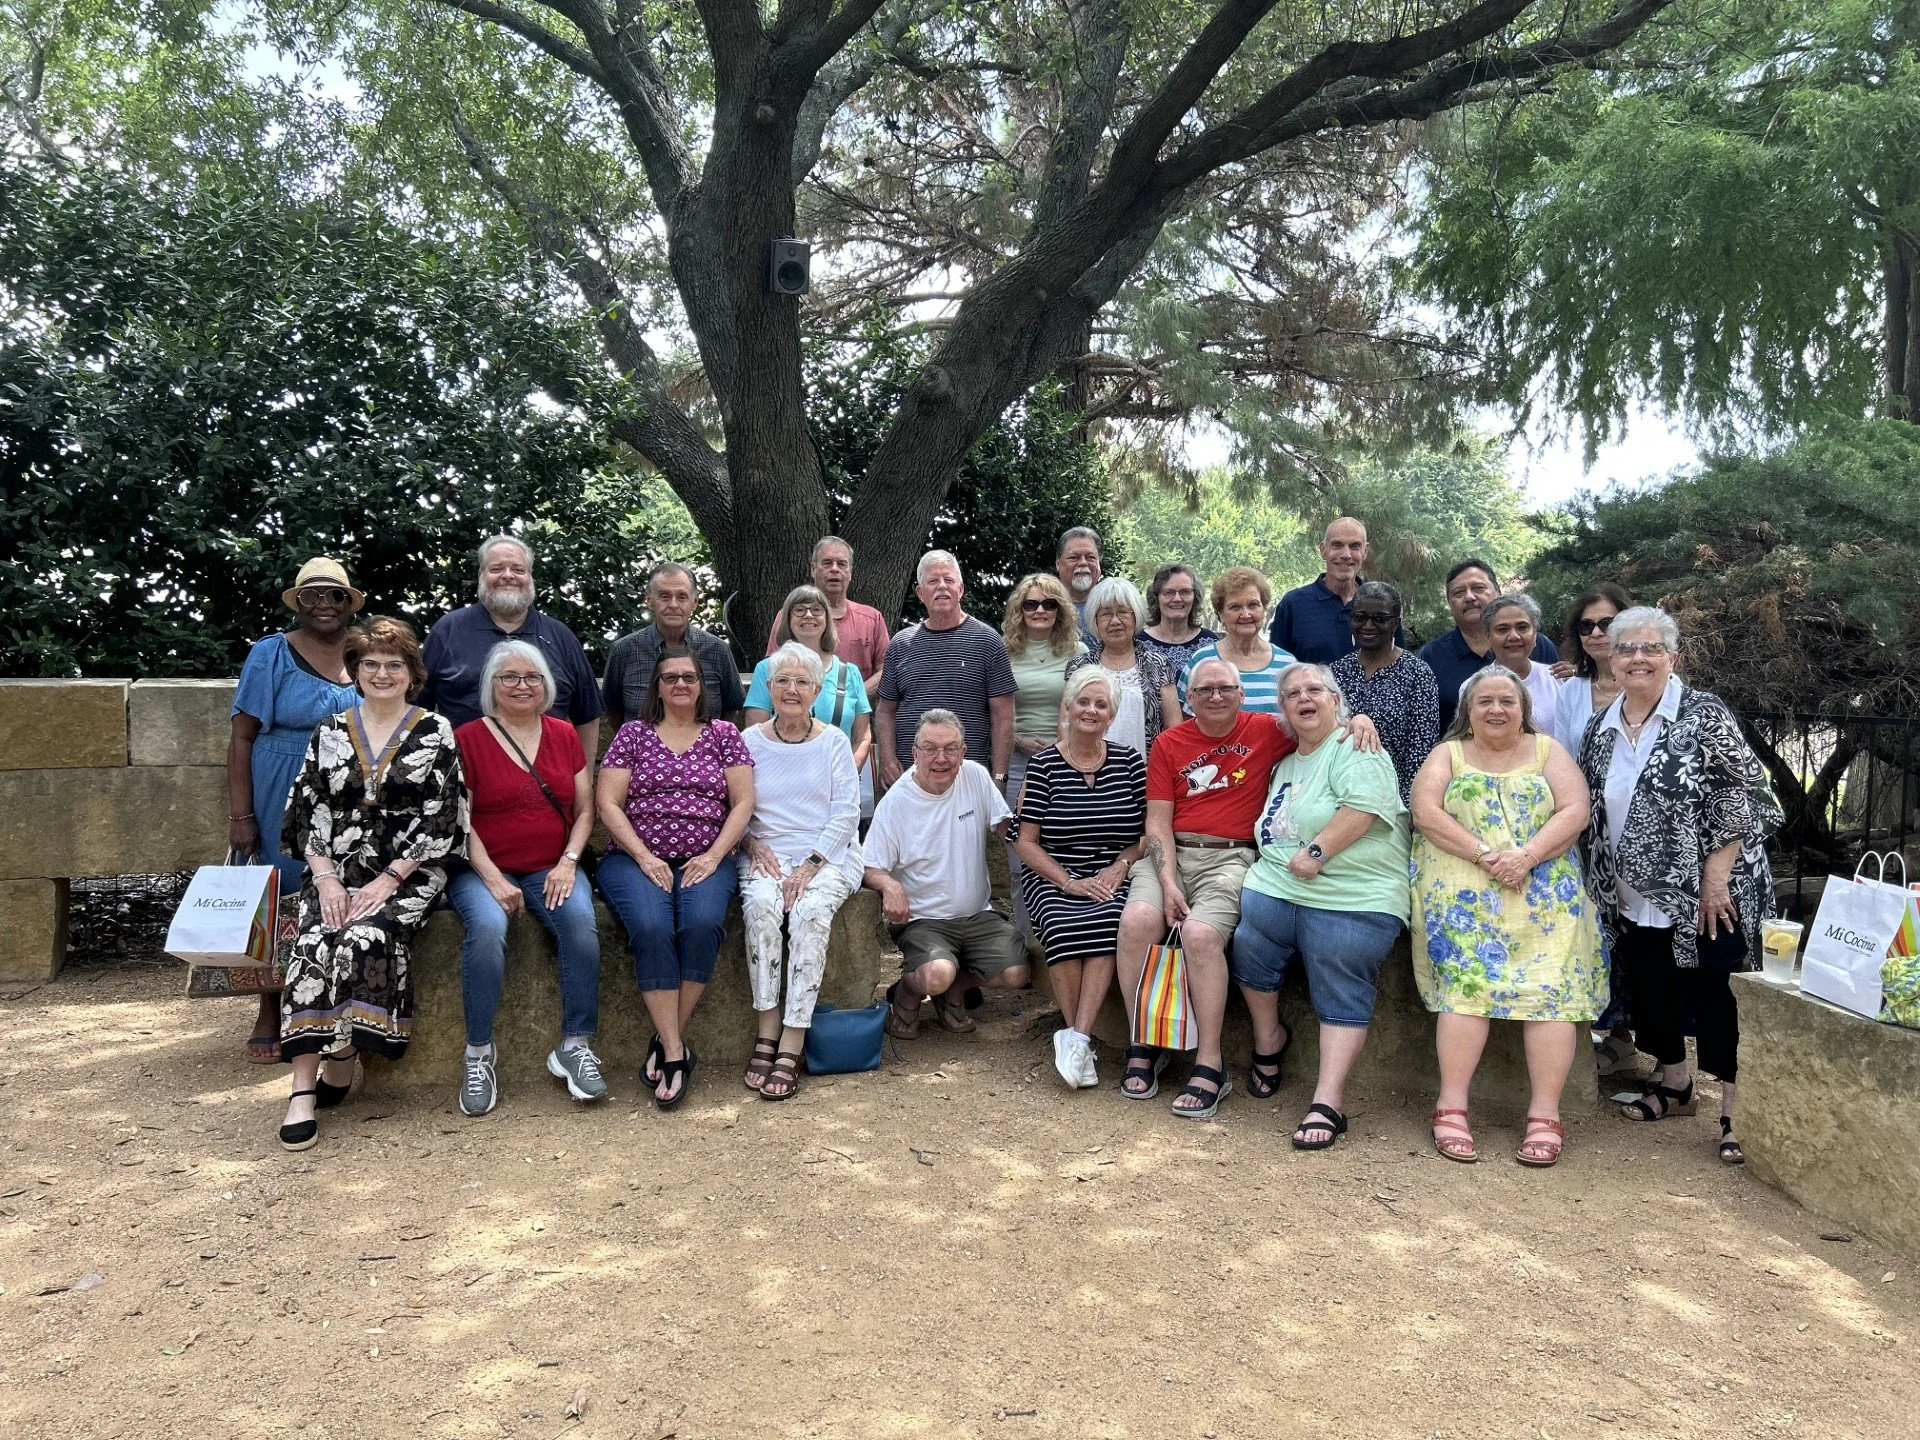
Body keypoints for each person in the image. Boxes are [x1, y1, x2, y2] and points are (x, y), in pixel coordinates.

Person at [1114, 657, 1379, 1118]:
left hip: (1231, 856)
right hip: (1172, 853)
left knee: (1200, 934)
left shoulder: (1266, 730)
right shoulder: (1169, 742)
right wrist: (1168, 881)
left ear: (1241, 694)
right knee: (1137, 920)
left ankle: (1210, 1062)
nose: (1215, 697)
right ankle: (1144, 1041)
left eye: (1225, 688)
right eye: (1204, 690)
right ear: (1189, 698)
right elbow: (1157, 821)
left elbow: (1318, 722)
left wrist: (1358, 718)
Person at [1577, 606, 1779, 1166]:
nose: (1638, 658)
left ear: (1673, 657)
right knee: (1652, 987)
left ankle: (1736, 1111)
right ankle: (1675, 1083)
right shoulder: (1602, 725)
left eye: (1651, 648)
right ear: (1611, 658)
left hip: (1713, 889)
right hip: (1633, 891)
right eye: (1626, 648)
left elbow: (1742, 795)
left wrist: (1715, 881)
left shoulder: (1702, 714)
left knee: (1718, 993)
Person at [275, 617, 466, 1151]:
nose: (382, 674)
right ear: (355, 672)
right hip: (334, 870)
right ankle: (303, 1088)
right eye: (371, 664)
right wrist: (326, 880)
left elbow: (442, 817)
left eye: (394, 664)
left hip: (409, 871)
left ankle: (345, 1052)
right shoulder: (329, 731)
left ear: (412, 673)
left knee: (365, 936)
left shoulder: (436, 731)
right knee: (313, 942)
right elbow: (307, 810)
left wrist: (388, 880)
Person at [1409, 667, 1604, 1168]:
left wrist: (1527, 856)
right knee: (1466, 990)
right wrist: (1485, 855)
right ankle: (1451, 1106)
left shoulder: (1548, 752)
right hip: (1463, 892)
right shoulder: (1448, 754)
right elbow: (1426, 812)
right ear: (1468, 711)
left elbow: (1575, 809)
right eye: (1485, 701)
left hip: (1543, 890)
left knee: (1552, 995)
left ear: (1523, 709)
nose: (1496, 709)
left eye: (1507, 701)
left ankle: (1545, 1115)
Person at [1233, 664, 1410, 1150]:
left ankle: (1328, 1101)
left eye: (1315, 690)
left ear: (1336, 700)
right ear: (1282, 708)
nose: (1304, 698)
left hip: (1351, 895)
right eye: (1292, 693)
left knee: (1338, 970)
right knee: (1248, 948)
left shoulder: (1356, 746)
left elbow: (1364, 808)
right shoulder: (1286, 762)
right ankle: (1269, 1040)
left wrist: (1317, 852)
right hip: (1279, 891)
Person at [448, 640, 604, 1118]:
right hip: (482, 867)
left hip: (552, 865)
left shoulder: (563, 733)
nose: (522, 685)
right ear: (491, 685)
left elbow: (585, 809)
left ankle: (575, 1046)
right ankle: (479, 1053)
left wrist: (569, 861)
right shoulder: (467, 737)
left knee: (580, 924)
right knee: (488, 927)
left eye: (532, 677)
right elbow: (459, 818)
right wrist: (493, 879)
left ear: (546, 685)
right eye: (509, 677)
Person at [595, 646, 755, 1108]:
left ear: (702, 686)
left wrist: (714, 855)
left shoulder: (724, 734)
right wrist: (645, 857)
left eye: (689, 676)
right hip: (634, 859)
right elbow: (608, 803)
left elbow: (743, 803)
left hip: (707, 857)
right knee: (651, 926)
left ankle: (668, 1041)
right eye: (671, 678)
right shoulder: (632, 734)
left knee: (702, 923)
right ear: (658, 688)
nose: (681, 683)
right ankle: (674, 1051)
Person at [228, 557, 364, 1064]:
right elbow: (241, 737)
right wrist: (241, 815)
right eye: (312, 595)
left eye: (335, 595)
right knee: (279, 895)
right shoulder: (271, 653)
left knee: (340, 890)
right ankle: (270, 1007)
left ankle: (330, 1007)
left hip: (347, 788)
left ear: (350, 604)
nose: (324, 605)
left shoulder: (364, 652)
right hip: (279, 785)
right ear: (298, 603)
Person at [738, 644, 864, 1102]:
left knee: (809, 913)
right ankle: (766, 1028)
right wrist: (750, 843)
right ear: (768, 688)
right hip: (765, 852)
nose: (792, 689)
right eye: (783, 681)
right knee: (761, 908)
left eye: (802, 682)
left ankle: (792, 1040)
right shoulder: (748, 741)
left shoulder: (834, 742)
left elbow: (846, 813)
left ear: (816, 689)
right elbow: (732, 808)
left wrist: (810, 865)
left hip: (829, 854)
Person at [1012, 669, 1148, 1089]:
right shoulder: (1044, 765)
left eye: (1101, 705)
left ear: (1112, 716)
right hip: (1054, 872)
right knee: (1061, 924)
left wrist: (1121, 866)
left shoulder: (1130, 762)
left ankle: (1077, 1039)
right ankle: (1078, 1040)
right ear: (1068, 708)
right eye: (1083, 702)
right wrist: (1067, 882)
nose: (1091, 710)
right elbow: (1025, 842)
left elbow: (1146, 834)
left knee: (1111, 920)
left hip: (1112, 871)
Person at [866, 710, 1029, 1037]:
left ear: (963, 751)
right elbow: (869, 866)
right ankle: (908, 993)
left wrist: (1033, 827)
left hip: (978, 915)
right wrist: (889, 886)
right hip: (923, 920)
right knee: (936, 973)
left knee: (1017, 972)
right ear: (915, 753)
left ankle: (952, 992)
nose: (941, 758)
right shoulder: (896, 802)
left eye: (951, 749)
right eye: (930, 749)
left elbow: (1006, 828)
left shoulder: (975, 776)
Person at [421, 536, 605, 759]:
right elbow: (415, 710)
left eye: (518, 569)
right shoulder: (447, 631)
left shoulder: (561, 636)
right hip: (462, 773)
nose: (508, 575)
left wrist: (583, 776)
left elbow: (587, 716)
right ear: (480, 576)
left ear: (530, 576)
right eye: (496, 569)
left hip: (548, 775)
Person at [874, 551, 1016, 793]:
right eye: (933, 581)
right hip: (910, 780)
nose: (941, 586)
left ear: (960, 589)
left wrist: (999, 777)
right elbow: (885, 711)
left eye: (948, 580)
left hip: (967, 780)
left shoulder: (987, 641)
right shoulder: (900, 644)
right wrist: (887, 758)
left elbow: (1003, 717)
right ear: (920, 593)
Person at [1001, 573, 1086, 942]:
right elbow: (992, 710)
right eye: (1030, 604)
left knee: (1065, 850)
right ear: (1019, 609)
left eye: (1048, 603)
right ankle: (1028, 942)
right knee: (1020, 854)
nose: (1039, 610)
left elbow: (1085, 707)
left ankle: (1064, 936)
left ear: (1060, 609)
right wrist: (1018, 740)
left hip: (1066, 762)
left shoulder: (1077, 652)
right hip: (1018, 761)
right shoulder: (1003, 650)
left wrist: (1060, 745)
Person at [1419, 559, 1559, 732]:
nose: (1469, 597)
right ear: (1449, 603)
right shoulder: (1431, 656)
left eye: (1478, 588)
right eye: (1459, 593)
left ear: (1498, 593)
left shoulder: (1538, 645)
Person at [1330, 580, 1439, 804]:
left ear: (1396, 623)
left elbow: (1421, 750)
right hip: (1336, 794)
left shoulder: (1417, 673)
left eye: (1380, 618)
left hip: (1392, 799)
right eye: (1360, 617)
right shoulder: (1337, 671)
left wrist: (1406, 807)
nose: (1368, 625)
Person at [602, 561, 747, 728]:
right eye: (664, 596)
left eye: (682, 596)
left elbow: (732, 709)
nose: (673, 605)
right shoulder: (623, 650)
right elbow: (613, 711)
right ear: (649, 600)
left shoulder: (718, 650)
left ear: (694, 601)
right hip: (639, 745)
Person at [743, 585, 873, 767]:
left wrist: (846, 773)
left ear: (827, 619)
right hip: (779, 773)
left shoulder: (849, 673)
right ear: (787, 619)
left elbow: (862, 737)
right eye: (799, 610)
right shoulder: (767, 669)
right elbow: (755, 736)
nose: (809, 615)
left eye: (817, 609)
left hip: (837, 776)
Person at [1063, 576, 1180, 760]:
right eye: (1106, 614)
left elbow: (1174, 727)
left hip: (1146, 770)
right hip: (1087, 770)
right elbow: (1065, 725)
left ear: (1135, 616)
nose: (1115, 621)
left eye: (1123, 612)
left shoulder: (1158, 664)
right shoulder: (1079, 666)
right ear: (1095, 620)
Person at [763, 536, 890, 695]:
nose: (835, 569)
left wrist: (850, 698)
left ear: (850, 572)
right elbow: (771, 669)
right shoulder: (790, 617)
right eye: (827, 563)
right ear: (813, 569)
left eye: (842, 564)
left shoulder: (871, 619)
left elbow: (887, 671)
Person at [1178, 566, 1295, 715]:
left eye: (1253, 605)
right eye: (1235, 607)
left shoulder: (1287, 664)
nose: (1245, 614)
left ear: (1264, 609)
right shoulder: (1201, 661)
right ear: (1220, 615)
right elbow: (1184, 721)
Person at [1270, 517, 1371, 663]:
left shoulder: (1381, 604)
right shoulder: (1293, 604)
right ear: (1323, 550)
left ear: (1365, 551)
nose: (1346, 555)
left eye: (1355, 546)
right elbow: (1278, 667)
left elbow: (1399, 665)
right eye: (1337, 545)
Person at [1551, 583, 1633, 758]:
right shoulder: (1570, 692)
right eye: (1586, 626)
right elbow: (1563, 758)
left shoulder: (1652, 682)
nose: (1596, 633)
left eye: (1607, 624)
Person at [1136, 562, 1217, 678]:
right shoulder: (1138, 643)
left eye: (1185, 592)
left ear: (1195, 597)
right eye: (1168, 592)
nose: (1177, 599)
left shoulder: (1210, 642)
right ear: (1156, 597)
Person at [1056, 526, 1104, 646]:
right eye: (1074, 558)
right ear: (1058, 564)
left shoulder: (1114, 604)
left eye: (1090, 557)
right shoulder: (1042, 606)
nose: (1083, 562)